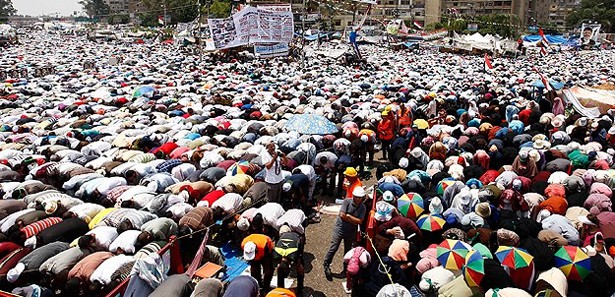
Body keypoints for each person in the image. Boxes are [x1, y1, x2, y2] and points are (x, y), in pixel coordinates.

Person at [323, 186, 367, 281]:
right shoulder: (347, 201)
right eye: (356, 197)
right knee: (334, 246)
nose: (358, 199)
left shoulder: (363, 207)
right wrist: (353, 219)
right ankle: (326, 264)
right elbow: (342, 215)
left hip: (351, 231)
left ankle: (346, 268)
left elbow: (360, 221)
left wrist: (348, 216)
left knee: (348, 250)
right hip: (340, 228)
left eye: (360, 198)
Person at [273, 226, 304, 296]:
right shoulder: (276, 253)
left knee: (300, 269)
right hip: (284, 236)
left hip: (296, 236)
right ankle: (280, 289)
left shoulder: (294, 254)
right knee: (281, 272)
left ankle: (300, 290)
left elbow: (299, 267)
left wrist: (300, 267)